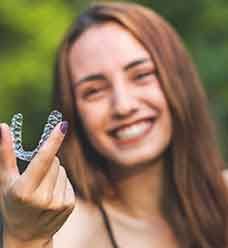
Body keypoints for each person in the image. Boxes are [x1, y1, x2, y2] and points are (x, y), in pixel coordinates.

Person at [0, 2, 227, 248]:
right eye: (94, 91)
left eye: (141, 75)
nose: (123, 105)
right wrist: (25, 239)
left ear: (179, 81)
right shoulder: (66, 231)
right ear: (73, 112)